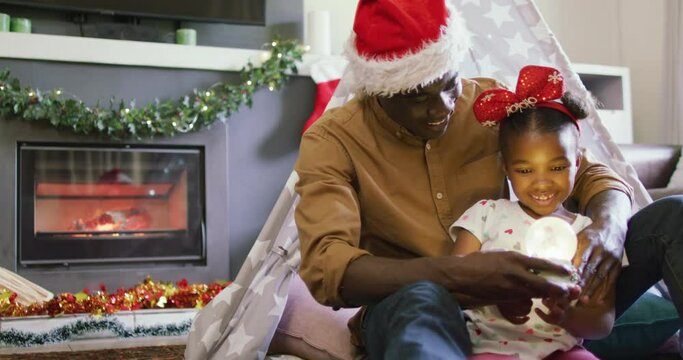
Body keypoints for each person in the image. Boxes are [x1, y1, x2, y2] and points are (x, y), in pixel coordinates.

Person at [294, 0, 683, 358]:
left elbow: (588, 173)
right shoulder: (334, 141)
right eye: (418, 97)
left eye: (450, 84)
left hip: (550, 310)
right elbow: (328, 267)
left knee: (674, 218)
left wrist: (609, 226)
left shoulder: (490, 104)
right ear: (378, 89)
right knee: (419, 299)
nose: (442, 108)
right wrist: (456, 274)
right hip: (422, 309)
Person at [450, 65, 614, 360]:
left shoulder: (589, 235)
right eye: (525, 170)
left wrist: (568, 316)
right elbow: (453, 286)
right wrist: (498, 297)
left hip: (562, 350)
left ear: (577, 162)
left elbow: (603, 323)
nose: (542, 182)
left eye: (557, 167)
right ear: (506, 168)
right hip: (489, 350)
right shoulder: (485, 215)